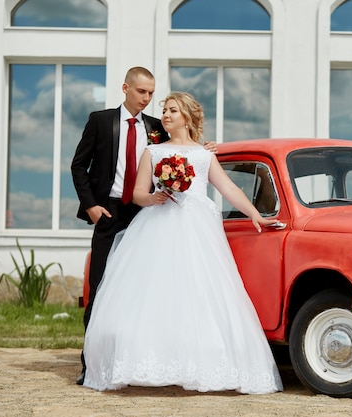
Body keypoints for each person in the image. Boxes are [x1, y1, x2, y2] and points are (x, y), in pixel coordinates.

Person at [81, 91, 283, 394]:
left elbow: (227, 187)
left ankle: (199, 362)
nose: (165, 115)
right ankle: (147, 362)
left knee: (200, 291)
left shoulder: (204, 155)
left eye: (172, 110)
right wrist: (154, 197)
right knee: (155, 292)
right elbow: (138, 193)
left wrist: (255, 214)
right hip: (157, 225)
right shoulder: (153, 152)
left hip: (197, 229)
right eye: (164, 110)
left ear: (186, 117)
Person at [71, 67, 216, 386]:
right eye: (141, 92)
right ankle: (90, 363)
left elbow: (180, 150)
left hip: (147, 212)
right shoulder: (101, 120)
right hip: (108, 211)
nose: (148, 98)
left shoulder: (156, 127)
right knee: (100, 286)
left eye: (152, 93)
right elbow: (79, 165)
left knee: (142, 288)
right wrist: (92, 206)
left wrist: (204, 150)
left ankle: (142, 356)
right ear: (126, 88)